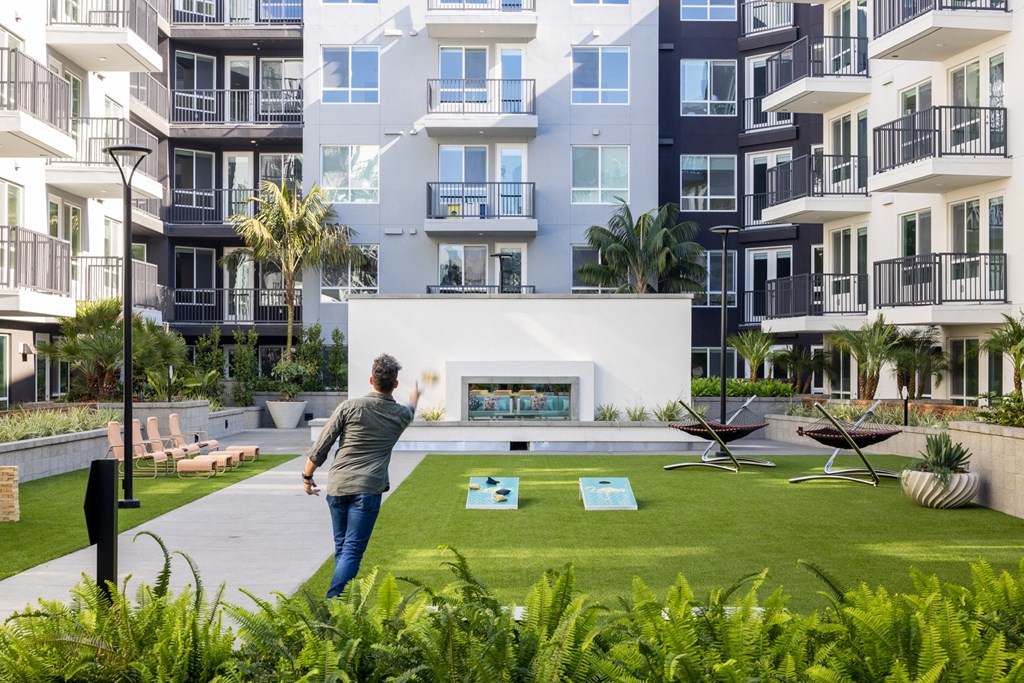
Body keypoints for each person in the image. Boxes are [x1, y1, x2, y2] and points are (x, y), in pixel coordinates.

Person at [303, 353, 420, 598]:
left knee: (343, 548)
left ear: (371, 379)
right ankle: (332, 604)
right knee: (352, 550)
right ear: (395, 384)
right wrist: (414, 397)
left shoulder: (349, 407)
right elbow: (410, 409)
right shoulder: (400, 416)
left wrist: (307, 477)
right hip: (368, 489)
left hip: (338, 487)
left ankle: (340, 611)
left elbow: (321, 445)